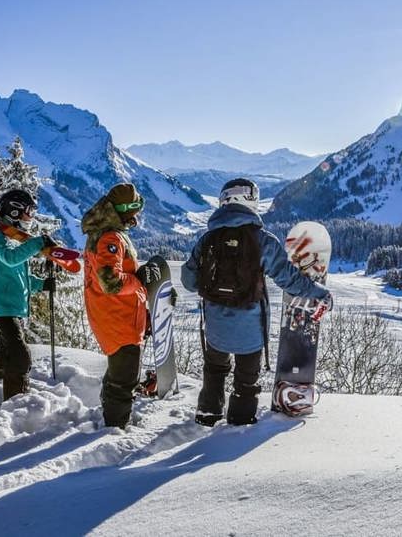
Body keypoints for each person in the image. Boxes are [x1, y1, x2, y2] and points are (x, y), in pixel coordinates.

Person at [181, 178, 332, 427]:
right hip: (250, 331)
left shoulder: (207, 239)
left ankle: (207, 415)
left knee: (215, 372)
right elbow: (289, 280)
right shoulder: (262, 241)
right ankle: (239, 426)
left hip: (215, 328)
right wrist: (318, 292)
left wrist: (215, 291)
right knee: (246, 380)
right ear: (251, 201)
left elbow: (188, 280)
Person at [81, 183, 150, 429]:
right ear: (126, 210)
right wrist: (139, 282)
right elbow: (110, 281)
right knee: (124, 378)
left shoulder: (103, 232)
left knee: (118, 374)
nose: (137, 215)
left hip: (115, 315)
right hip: (117, 318)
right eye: (136, 209)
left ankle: (111, 418)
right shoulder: (110, 237)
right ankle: (115, 428)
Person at [0, 189, 54, 401]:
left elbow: (21, 277)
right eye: (28, 211)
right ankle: (15, 402)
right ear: (14, 212)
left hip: (14, 306)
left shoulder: (12, 238)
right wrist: (37, 244)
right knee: (20, 357)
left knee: (6, 350)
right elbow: (10, 258)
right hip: (2, 305)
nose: (31, 216)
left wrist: (42, 284)